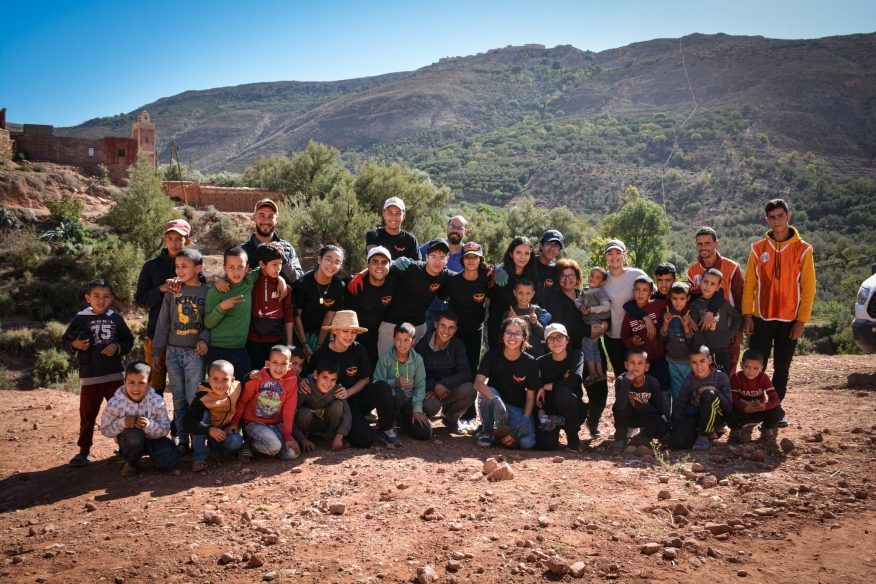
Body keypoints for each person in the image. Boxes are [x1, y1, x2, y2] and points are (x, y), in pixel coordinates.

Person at [741, 199, 815, 426]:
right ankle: (751, 412)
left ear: (788, 216)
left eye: (780, 216)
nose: (777, 221)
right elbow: (750, 284)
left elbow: (808, 288)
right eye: (772, 217)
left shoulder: (803, 250)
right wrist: (747, 315)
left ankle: (773, 413)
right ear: (767, 220)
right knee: (753, 367)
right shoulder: (758, 248)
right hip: (761, 318)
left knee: (782, 368)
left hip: (789, 319)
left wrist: (801, 321)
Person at [62, 279, 134, 467]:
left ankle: (125, 446)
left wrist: (117, 346)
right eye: (96, 296)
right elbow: (65, 342)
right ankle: (83, 452)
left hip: (114, 376)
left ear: (111, 299)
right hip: (90, 377)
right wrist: (74, 345)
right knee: (88, 416)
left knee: (120, 412)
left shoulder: (116, 319)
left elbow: (128, 341)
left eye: (105, 297)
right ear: (88, 298)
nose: (100, 300)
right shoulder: (80, 318)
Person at [150, 248, 211, 456]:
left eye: (185, 266)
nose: (180, 270)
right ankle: (183, 440)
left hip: (195, 355)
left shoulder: (208, 292)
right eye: (177, 266)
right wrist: (157, 351)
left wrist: (204, 339)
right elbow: (163, 322)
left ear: (198, 268)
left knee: (195, 399)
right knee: (178, 398)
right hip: (173, 352)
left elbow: (210, 322)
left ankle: (199, 444)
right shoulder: (173, 291)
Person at [303, 310, 395, 448]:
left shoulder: (358, 349)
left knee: (382, 387)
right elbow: (310, 379)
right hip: (337, 405)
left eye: (353, 332)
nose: (349, 336)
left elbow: (365, 379)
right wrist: (302, 381)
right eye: (345, 331)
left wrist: (349, 392)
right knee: (365, 440)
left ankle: (386, 429)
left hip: (355, 396)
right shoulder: (320, 355)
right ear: (334, 330)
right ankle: (335, 429)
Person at [135, 219, 205, 398]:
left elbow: (201, 297)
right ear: (164, 240)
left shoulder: (196, 266)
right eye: (170, 238)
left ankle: (179, 425)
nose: (174, 243)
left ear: (187, 241)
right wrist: (161, 289)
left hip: (187, 338)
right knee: (154, 384)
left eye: (179, 239)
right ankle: (154, 424)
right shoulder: (151, 266)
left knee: (184, 390)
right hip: (156, 334)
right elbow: (141, 300)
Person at [544, 259, 610, 437]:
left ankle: (593, 421)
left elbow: (603, 313)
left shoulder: (586, 294)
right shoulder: (555, 298)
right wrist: (589, 329)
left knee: (600, 390)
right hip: (570, 351)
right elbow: (561, 324)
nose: (567, 279)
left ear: (577, 277)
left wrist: (603, 325)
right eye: (563, 276)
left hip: (594, 347)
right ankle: (570, 427)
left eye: (571, 275)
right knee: (571, 391)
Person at [100, 361, 179, 477]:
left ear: (149, 384)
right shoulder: (115, 403)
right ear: (124, 383)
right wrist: (123, 423)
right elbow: (105, 429)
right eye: (131, 383)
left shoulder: (157, 401)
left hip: (153, 440)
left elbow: (165, 429)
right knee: (133, 435)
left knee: (169, 461)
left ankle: (161, 454)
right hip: (130, 441)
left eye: (141, 383)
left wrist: (148, 425)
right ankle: (131, 462)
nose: (136, 387)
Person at [377, 238, 454, 356]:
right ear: (427, 257)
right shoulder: (410, 268)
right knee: (386, 360)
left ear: (447, 260)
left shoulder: (446, 275)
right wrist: (393, 262)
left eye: (442, 257)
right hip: (392, 321)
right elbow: (380, 270)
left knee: (412, 362)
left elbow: (465, 277)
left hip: (417, 324)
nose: (437, 261)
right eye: (434, 256)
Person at [473, 318, 542, 450]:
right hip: (495, 402)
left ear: (524, 337)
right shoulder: (491, 356)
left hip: (516, 408)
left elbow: (530, 397)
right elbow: (478, 384)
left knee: (526, 444)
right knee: (488, 392)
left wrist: (526, 419)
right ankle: (487, 431)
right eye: (508, 332)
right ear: (502, 335)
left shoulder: (531, 362)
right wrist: (496, 400)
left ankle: (502, 430)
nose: (512, 337)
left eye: (517, 333)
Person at [687, 227, 744, 374]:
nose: (703, 247)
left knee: (727, 375)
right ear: (695, 245)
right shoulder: (692, 271)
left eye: (707, 243)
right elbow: (691, 300)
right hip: (702, 338)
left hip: (726, 334)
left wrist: (738, 331)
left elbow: (739, 300)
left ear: (716, 244)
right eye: (700, 244)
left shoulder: (732, 267)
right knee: (703, 374)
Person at [228, 345, 299, 462]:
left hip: (276, 424)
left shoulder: (291, 381)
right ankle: (249, 444)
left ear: (289, 366)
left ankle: (259, 444)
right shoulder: (257, 378)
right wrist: (235, 422)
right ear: (268, 363)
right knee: (274, 446)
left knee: (291, 454)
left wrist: (287, 436)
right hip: (254, 423)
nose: (278, 367)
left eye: (283, 363)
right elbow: (242, 400)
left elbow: (289, 410)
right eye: (275, 362)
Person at [205, 247, 264, 381]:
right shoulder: (215, 292)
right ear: (224, 268)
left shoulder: (248, 282)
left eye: (240, 267)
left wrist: (281, 281)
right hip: (217, 348)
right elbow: (208, 322)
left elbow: (265, 265)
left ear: (247, 267)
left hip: (240, 348)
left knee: (242, 385)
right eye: (231, 267)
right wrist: (222, 307)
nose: (236, 271)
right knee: (218, 389)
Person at [414, 310, 478, 434]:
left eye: (451, 328)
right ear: (435, 325)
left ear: (455, 330)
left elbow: (465, 373)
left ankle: (451, 418)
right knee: (432, 406)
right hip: (427, 392)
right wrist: (433, 385)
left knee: (470, 389)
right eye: (443, 326)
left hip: (447, 390)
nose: (446, 331)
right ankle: (423, 419)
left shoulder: (457, 345)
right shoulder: (422, 345)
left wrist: (443, 384)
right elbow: (414, 374)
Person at [182, 360, 244, 472]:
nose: (220, 384)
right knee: (202, 414)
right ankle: (199, 456)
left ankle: (214, 446)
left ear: (232, 380)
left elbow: (248, 381)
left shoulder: (237, 387)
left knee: (236, 442)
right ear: (209, 380)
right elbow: (188, 422)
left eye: (225, 379)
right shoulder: (202, 396)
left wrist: (235, 424)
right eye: (215, 379)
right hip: (206, 429)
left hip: (223, 430)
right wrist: (209, 430)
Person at [440, 242, 490, 377]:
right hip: (456, 330)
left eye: (475, 257)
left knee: (473, 366)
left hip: (475, 329)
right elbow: (439, 294)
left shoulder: (487, 280)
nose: (471, 260)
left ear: (480, 260)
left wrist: (499, 271)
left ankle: (470, 395)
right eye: (468, 257)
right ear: (462, 260)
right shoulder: (454, 280)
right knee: (452, 365)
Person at [343, 246, 398, 368]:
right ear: (367, 264)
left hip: (378, 337)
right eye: (375, 262)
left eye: (384, 263)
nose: (379, 266)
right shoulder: (354, 283)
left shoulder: (394, 280)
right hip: (353, 336)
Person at [374, 323, 429, 442]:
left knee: (424, 434)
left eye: (406, 340)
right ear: (394, 339)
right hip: (391, 399)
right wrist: (395, 383)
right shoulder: (385, 358)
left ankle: (403, 419)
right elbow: (377, 383)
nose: (402, 344)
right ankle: (391, 424)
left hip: (409, 401)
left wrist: (417, 409)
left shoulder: (418, 360)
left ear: (413, 341)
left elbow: (420, 385)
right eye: (398, 339)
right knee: (398, 393)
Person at [535, 324, 587, 451]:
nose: (556, 342)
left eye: (559, 337)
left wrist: (546, 386)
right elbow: (536, 390)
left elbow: (573, 381)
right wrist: (541, 412)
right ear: (546, 343)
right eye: (551, 339)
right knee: (545, 445)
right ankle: (559, 424)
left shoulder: (576, 355)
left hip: (573, 408)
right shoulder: (540, 362)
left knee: (563, 392)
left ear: (567, 339)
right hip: (550, 413)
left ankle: (573, 437)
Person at [601, 239, 648, 380]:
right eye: (610, 253)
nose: (614, 256)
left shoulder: (636, 275)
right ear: (606, 257)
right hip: (612, 335)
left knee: (637, 374)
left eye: (618, 253)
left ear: (625, 255)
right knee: (620, 374)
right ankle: (622, 401)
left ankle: (638, 401)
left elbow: (652, 295)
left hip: (635, 334)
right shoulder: (602, 279)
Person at [671, 346, 732, 451]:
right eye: (694, 362)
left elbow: (728, 407)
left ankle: (703, 437)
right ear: (690, 364)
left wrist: (714, 390)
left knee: (708, 394)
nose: (698, 366)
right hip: (696, 416)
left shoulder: (721, 377)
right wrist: (676, 429)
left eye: (702, 361)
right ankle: (702, 431)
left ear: (710, 360)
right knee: (679, 443)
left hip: (716, 415)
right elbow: (680, 408)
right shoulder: (688, 382)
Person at [245, 243, 295, 369]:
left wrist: (289, 343)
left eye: (280, 264)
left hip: (276, 342)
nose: (278, 268)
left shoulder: (284, 289)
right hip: (253, 342)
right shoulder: (251, 284)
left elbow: (289, 315)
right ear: (262, 264)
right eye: (274, 264)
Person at [611, 348, 670, 450]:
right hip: (628, 417)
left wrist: (637, 405)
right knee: (618, 407)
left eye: (640, 363)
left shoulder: (652, 382)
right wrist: (627, 381)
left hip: (646, 417)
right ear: (626, 365)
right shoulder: (622, 380)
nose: (636, 366)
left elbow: (658, 409)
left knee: (662, 425)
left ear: (647, 367)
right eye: (632, 362)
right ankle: (620, 438)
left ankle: (646, 436)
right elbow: (620, 406)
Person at [488, 237, 540, 349]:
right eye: (518, 252)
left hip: (523, 329)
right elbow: (488, 294)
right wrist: (494, 269)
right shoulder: (500, 274)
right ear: (511, 254)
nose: (523, 257)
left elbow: (533, 302)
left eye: (527, 253)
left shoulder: (533, 276)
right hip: (498, 327)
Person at [293, 244, 345, 356]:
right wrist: (304, 344)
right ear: (319, 259)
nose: (332, 265)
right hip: (299, 332)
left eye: (337, 262)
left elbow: (329, 317)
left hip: (321, 333)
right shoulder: (303, 282)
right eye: (329, 259)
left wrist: (319, 344)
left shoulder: (339, 286)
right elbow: (297, 316)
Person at [237, 198, 304, 284]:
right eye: (262, 216)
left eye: (270, 216)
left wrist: (283, 260)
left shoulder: (287, 249)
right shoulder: (241, 251)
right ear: (254, 218)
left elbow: (299, 282)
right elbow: (230, 282)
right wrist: (220, 282)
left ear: (276, 220)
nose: (266, 221)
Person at [621, 276, 669, 393]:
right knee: (643, 393)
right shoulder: (629, 314)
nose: (640, 294)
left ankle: (664, 411)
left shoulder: (658, 305)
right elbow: (624, 336)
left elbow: (677, 305)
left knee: (662, 391)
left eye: (645, 290)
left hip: (660, 358)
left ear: (652, 292)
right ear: (633, 291)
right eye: (637, 290)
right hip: (640, 363)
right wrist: (633, 341)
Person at [294, 359, 353, 453]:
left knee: (337, 406)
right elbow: (289, 415)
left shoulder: (337, 389)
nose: (328, 383)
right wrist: (301, 438)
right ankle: (302, 440)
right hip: (307, 423)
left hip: (324, 423)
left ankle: (331, 437)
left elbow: (347, 414)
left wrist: (339, 436)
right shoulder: (305, 387)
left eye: (333, 379)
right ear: (316, 374)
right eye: (325, 378)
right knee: (303, 412)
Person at [689, 268, 742, 374]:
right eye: (705, 282)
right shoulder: (695, 304)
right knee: (703, 378)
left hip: (721, 349)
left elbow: (737, 317)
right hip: (703, 352)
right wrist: (702, 349)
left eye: (713, 284)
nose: (708, 286)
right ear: (700, 282)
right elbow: (696, 329)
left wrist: (729, 334)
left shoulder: (723, 303)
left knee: (722, 378)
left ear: (718, 287)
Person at [728, 349, 784, 444]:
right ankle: (736, 429)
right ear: (741, 365)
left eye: (755, 368)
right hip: (742, 412)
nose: (751, 372)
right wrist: (745, 409)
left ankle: (766, 428)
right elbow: (733, 401)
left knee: (779, 411)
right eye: (747, 367)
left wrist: (765, 406)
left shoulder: (763, 378)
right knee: (726, 410)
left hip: (759, 411)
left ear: (761, 368)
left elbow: (775, 400)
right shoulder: (736, 378)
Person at [421, 215, 467, 327]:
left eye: (460, 228)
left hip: (454, 313)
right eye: (453, 226)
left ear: (465, 232)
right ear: (447, 227)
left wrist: (498, 270)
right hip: (427, 309)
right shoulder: (432, 246)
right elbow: (414, 261)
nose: (455, 231)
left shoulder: (468, 254)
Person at [658, 282, 696, 402]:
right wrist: (665, 324)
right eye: (675, 298)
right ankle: (677, 416)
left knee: (690, 390)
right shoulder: (666, 314)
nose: (678, 302)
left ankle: (690, 417)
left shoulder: (690, 315)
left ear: (688, 298)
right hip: (672, 360)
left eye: (682, 298)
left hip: (688, 361)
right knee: (676, 391)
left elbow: (691, 343)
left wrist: (686, 327)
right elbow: (662, 339)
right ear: (669, 297)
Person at [575, 266, 611, 384]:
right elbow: (577, 301)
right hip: (588, 323)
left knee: (587, 348)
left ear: (602, 282)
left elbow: (606, 306)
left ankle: (593, 374)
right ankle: (600, 373)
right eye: (591, 275)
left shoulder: (599, 292)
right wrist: (580, 306)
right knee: (594, 349)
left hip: (594, 325)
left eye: (597, 277)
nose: (593, 278)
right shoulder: (584, 290)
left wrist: (591, 310)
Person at [502, 278, 550, 357]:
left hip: (537, 355)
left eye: (528, 293)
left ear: (533, 294)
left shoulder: (537, 311)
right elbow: (504, 337)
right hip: (516, 355)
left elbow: (545, 335)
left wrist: (535, 323)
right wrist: (513, 321)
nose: (524, 297)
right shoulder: (509, 314)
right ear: (515, 293)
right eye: (520, 293)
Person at [534, 230, 564, 305]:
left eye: (556, 245)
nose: (552, 248)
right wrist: (499, 269)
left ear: (559, 251)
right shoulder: (529, 262)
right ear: (541, 245)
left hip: (546, 315)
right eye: (549, 244)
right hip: (522, 313)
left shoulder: (556, 270)